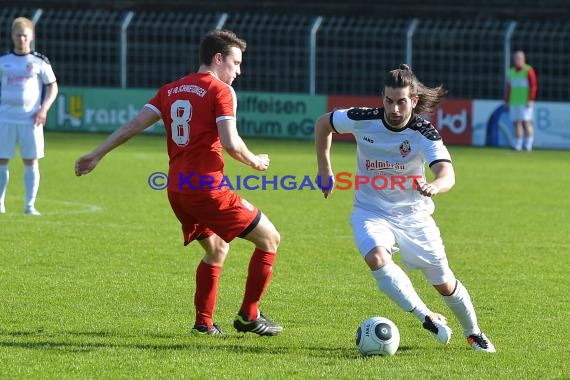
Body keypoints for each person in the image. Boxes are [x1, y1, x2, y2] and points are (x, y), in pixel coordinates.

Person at [75, 29, 282, 336]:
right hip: (207, 190)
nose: (239, 71)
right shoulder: (220, 90)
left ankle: (204, 323)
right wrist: (256, 161)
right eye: (236, 62)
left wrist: (96, 154)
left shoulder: (171, 90)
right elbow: (231, 143)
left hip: (178, 190)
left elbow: (133, 126)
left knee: (217, 249)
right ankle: (249, 316)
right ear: (218, 58)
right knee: (270, 239)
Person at [315, 64, 496, 352]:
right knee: (375, 257)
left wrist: (436, 185)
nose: (394, 108)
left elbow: (447, 173)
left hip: (414, 216)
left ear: (413, 101)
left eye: (401, 102)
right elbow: (323, 123)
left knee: (444, 283)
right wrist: (325, 169)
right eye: (389, 100)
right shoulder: (363, 119)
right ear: (382, 98)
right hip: (370, 211)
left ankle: (473, 332)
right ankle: (425, 316)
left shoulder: (423, 132)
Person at [0, 17, 58, 215]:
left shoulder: (39, 61)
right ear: (12, 36)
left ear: (31, 37)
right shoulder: (3, 61)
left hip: (30, 119)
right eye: (18, 35)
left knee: (31, 160)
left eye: (25, 35)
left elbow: (52, 86)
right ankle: (0, 203)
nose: (21, 39)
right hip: (5, 118)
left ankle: (29, 205)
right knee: (1, 159)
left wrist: (44, 109)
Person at [505, 50, 537, 151]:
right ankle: (517, 145)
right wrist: (507, 100)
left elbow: (533, 86)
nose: (517, 60)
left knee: (527, 122)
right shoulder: (511, 72)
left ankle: (528, 145)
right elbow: (509, 87)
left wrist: (530, 99)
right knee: (516, 123)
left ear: (523, 59)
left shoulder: (528, 70)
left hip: (525, 102)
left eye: (519, 58)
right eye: (516, 58)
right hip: (514, 101)